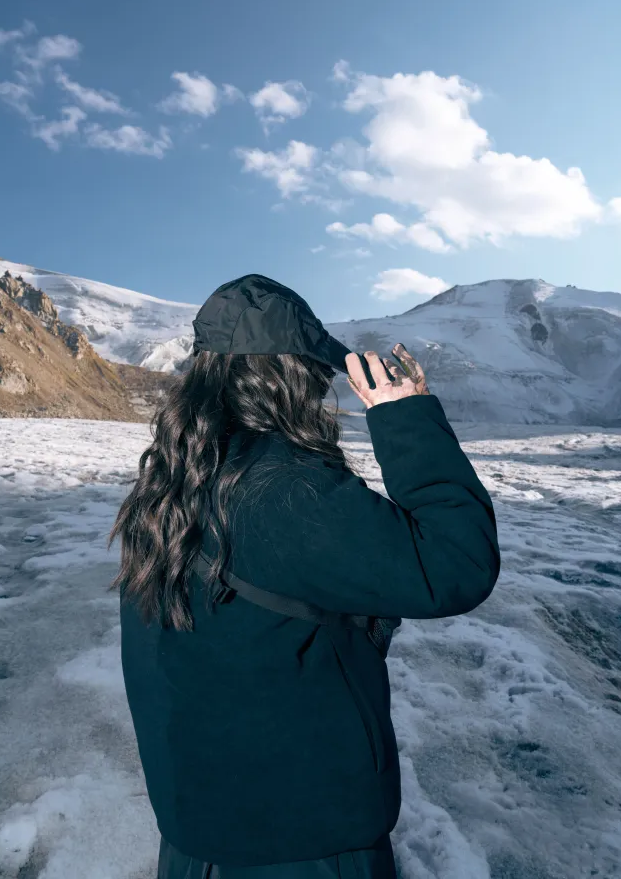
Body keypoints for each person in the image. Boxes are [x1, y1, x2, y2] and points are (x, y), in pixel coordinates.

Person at [110, 274, 501, 879]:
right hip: (300, 841)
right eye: (315, 376)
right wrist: (407, 417)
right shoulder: (282, 487)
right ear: (287, 376)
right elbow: (455, 567)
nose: (321, 390)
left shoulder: (171, 479)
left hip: (200, 832)